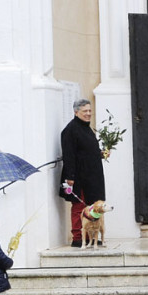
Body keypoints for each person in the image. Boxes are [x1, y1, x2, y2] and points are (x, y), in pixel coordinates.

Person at [60, 99, 106, 248]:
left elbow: (87, 150)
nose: (88, 114)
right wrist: (70, 177)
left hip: (92, 176)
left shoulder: (87, 129)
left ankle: (90, 237)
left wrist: (101, 154)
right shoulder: (70, 130)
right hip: (79, 177)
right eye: (84, 111)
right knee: (79, 207)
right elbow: (69, 155)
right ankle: (78, 237)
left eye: (89, 111)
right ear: (76, 112)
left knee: (93, 206)